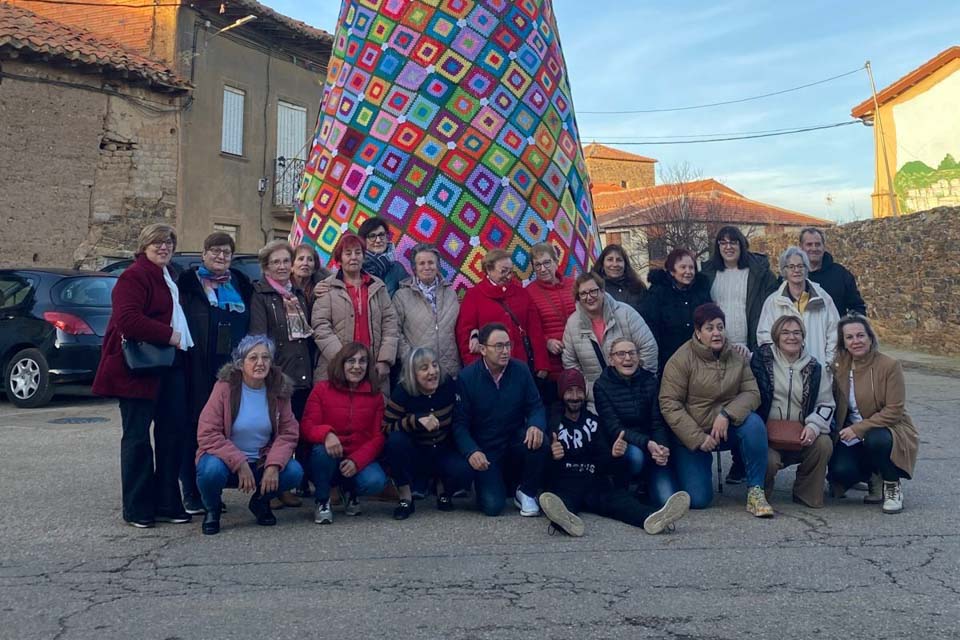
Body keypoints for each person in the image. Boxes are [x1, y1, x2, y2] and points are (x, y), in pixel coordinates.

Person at [92, 223, 195, 528]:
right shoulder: (133, 276)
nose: (164, 247)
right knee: (137, 439)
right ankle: (137, 507)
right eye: (157, 243)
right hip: (136, 369)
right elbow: (127, 319)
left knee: (171, 435)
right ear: (144, 246)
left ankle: (166, 502)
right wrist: (170, 335)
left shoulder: (168, 276)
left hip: (169, 366)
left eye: (168, 243)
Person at [538, 369, 690, 536]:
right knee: (560, 502)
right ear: (561, 393)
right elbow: (540, 465)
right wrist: (552, 456)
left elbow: (605, 464)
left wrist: (616, 456)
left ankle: (653, 518)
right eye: (569, 391)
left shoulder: (594, 422)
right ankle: (565, 522)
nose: (575, 396)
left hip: (593, 480)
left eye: (579, 391)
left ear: (585, 393)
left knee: (621, 502)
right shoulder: (551, 421)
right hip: (565, 481)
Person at [658, 303, 774, 517]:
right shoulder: (681, 359)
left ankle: (756, 490)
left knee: (754, 424)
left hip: (727, 427)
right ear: (698, 333)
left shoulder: (736, 356)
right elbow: (669, 403)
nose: (716, 333)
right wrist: (698, 437)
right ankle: (676, 472)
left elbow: (752, 392)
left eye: (720, 327)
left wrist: (726, 414)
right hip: (693, 434)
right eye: (709, 328)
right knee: (699, 499)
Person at [194, 335, 304, 534]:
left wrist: (273, 465)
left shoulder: (279, 389)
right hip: (226, 462)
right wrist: (239, 462)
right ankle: (213, 508)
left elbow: (289, 433)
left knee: (294, 471)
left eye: (266, 357)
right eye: (253, 358)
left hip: (261, 461)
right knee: (210, 470)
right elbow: (207, 432)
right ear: (240, 362)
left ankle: (261, 503)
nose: (260, 363)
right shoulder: (224, 388)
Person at [177, 232, 253, 514]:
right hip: (198, 368)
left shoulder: (240, 283)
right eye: (215, 251)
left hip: (232, 370)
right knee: (195, 429)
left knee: (225, 428)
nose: (221, 257)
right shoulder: (188, 283)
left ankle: (213, 490)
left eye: (226, 252)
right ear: (204, 253)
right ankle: (192, 491)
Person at [452, 323, 548, 517]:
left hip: (514, 439)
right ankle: (486, 484)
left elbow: (536, 406)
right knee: (493, 506)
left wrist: (535, 425)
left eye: (507, 345)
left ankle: (527, 492)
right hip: (486, 448)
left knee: (541, 440)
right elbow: (459, 424)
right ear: (483, 349)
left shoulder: (520, 370)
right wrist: (472, 451)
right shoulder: (467, 378)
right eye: (498, 346)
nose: (505, 351)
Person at [828, 316, 918, 514]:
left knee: (875, 439)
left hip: (886, 429)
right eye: (849, 337)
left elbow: (894, 410)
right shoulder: (838, 366)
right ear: (843, 342)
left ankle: (892, 485)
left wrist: (859, 428)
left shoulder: (889, 365)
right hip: (850, 433)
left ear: (870, 337)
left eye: (861, 335)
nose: (856, 341)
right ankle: (872, 475)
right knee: (841, 470)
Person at [249, 240, 314, 509]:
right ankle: (270, 489)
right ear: (266, 266)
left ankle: (286, 486)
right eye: (276, 262)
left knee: (293, 432)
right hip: (278, 375)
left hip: (302, 373)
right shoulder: (261, 296)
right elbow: (259, 337)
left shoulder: (297, 294)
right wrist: (269, 373)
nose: (282, 266)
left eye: (286, 261)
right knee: (273, 435)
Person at [750, 316, 835, 508]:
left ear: (803, 337)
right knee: (768, 460)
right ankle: (759, 495)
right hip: (768, 435)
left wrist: (813, 426)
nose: (792, 337)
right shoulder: (760, 361)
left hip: (801, 434)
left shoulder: (814, 367)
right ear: (776, 336)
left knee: (824, 443)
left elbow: (826, 404)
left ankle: (807, 493)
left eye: (797, 333)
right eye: (786, 333)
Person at [301, 342, 388, 524]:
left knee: (376, 481)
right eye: (351, 361)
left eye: (362, 361)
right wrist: (327, 434)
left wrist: (357, 460)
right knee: (321, 453)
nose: (357, 366)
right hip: (329, 455)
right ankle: (322, 500)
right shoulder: (321, 389)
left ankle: (350, 491)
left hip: (357, 457)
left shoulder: (375, 395)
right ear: (341, 364)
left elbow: (378, 436)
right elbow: (307, 425)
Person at [382, 347, 472, 519]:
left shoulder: (449, 386)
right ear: (413, 374)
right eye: (424, 368)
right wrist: (415, 421)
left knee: (465, 468)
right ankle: (405, 497)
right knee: (395, 441)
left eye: (435, 365)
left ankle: (443, 490)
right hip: (415, 452)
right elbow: (386, 428)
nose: (432, 372)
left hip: (443, 449)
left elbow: (461, 420)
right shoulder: (403, 392)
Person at [593, 338, 679, 505]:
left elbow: (658, 421)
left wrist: (661, 447)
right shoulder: (601, 386)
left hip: (652, 444)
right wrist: (647, 443)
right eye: (621, 354)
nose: (627, 358)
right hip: (624, 445)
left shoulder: (650, 381)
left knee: (666, 499)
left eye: (632, 353)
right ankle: (629, 484)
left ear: (639, 357)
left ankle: (647, 485)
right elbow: (614, 428)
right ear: (611, 359)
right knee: (636, 457)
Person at [312, 232, 398, 393]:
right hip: (335, 368)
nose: (354, 257)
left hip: (373, 368)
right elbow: (320, 326)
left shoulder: (377, 286)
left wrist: (385, 360)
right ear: (339, 259)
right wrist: (343, 360)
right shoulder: (327, 287)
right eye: (348, 253)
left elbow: (390, 322)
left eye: (358, 252)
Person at [562, 273, 658, 403]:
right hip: (596, 400)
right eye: (583, 293)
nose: (589, 297)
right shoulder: (572, 324)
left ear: (602, 291)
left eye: (593, 291)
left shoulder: (626, 313)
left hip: (636, 395)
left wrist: (638, 382)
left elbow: (648, 347)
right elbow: (570, 363)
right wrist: (591, 391)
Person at [455, 249, 549, 379]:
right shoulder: (474, 296)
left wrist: (541, 364)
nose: (509, 276)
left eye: (510, 271)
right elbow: (465, 336)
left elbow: (535, 330)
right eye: (503, 271)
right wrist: (475, 369)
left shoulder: (522, 294)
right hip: (489, 371)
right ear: (489, 269)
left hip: (521, 367)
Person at [757, 247, 840, 372]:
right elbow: (765, 337)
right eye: (791, 266)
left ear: (807, 269)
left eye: (800, 266)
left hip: (819, 371)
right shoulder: (773, 302)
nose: (796, 270)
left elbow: (835, 333)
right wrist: (779, 365)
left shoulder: (823, 298)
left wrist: (827, 363)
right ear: (784, 270)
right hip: (784, 374)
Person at [700, 226, 779, 356]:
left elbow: (772, 307)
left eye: (733, 242)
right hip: (716, 348)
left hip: (750, 347)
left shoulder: (760, 274)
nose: (728, 247)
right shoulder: (707, 275)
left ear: (741, 245)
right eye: (723, 243)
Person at [525, 242, 577, 421]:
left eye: (547, 263)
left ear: (556, 262)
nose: (542, 268)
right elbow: (528, 327)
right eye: (537, 265)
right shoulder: (530, 292)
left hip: (579, 358)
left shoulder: (574, 285)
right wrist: (546, 341)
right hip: (553, 364)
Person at [393, 243, 461, 378]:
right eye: (421, 263)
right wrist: (411, 359)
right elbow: (395, 331)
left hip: (450, 371)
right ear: (414, 268)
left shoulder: (450, 292)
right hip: (419, 372)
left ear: (437, 266)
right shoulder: (402, 296)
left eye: (431, 262)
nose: (427, 267)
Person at [641, 247, 712, 372]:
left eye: (691, 268)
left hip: (699, 356)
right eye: (683, 267)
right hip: (668, 357)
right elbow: (651, 326)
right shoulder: (657, 292)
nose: (688, 271)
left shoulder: (701, 291)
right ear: (672, 271)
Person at [799, 228, 866, 317]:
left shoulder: (841, 275)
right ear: (801, 247)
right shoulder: (792, 276)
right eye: (809, 244)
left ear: (824, 247)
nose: (814, 248)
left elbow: (857, 307)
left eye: (818, 244)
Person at [358, 217, 409, 297]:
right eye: (372, 236)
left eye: (381, 235)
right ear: (363, 241)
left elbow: (410, 299)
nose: (378, 240)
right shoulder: (356, 270)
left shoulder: (397, 269)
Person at [591, 244, 647, 312]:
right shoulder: (594, 288)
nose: (615, 264)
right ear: (602, 264)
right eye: (610, 259)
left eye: (619, 260)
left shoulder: (638, 287)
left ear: (625, 264)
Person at [290, 243, 332, 321]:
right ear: (292, 266)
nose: (305, 263)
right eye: (301, 259)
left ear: (315, 268)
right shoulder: (284, 286)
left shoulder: (324, 285)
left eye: (310, 260)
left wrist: (315, 297)